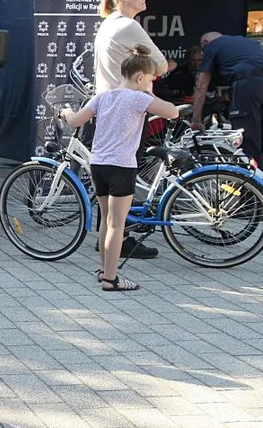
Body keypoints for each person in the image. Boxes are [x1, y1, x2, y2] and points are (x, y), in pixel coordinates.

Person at [61, 47, 179, 292]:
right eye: (149, 79)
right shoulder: (139, 98)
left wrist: (66, 112)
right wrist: (150, 95)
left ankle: (104, 270)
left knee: (106, 219)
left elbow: (74, 121)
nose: (150, 84)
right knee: (118, 224)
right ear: (139, 77)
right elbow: (173, 112)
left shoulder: (103, 97)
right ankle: (111, 279)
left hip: (98, 165)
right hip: (122, 166)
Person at [91, 0, 171, 261]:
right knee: (123, 173)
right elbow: (160, 65)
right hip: (128, 107)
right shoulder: (127, 25)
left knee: (105, 173)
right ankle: (119, 241)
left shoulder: (107, 25)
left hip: (105, 105)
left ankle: (110, 237)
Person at [192, 31, 263, 168]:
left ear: (205, 43)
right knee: (259, 139)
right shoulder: (247, 42)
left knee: (244, 140)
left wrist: (196, 120)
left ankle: (247, 184)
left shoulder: (211, 46)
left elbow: (202, 86)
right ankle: (260, 181)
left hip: (249, 84)